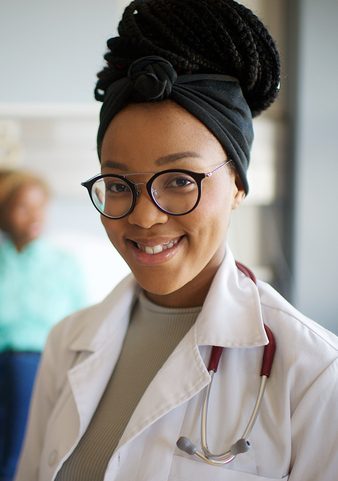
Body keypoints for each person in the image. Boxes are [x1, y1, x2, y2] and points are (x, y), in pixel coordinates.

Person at [15, 1, 338, 480]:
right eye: (119, 184)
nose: (144, 217)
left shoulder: (314, 374)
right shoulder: (67, 344)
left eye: (180, 180)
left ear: (237, 186)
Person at [0, 169, 88, 481]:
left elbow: (82, 326)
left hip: (38, 365)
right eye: (24, 207)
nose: (35, 216)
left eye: (41, 207)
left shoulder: (63, 264)